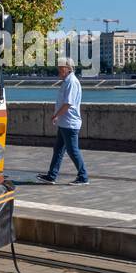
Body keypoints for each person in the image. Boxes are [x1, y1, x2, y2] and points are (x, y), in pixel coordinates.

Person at [38, 57, 88, 185]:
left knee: (73, 151)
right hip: (64, 123)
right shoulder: (67, 81)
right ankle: (51, 176)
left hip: (70, 123)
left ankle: (83, 177)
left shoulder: (72, 82)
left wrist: (55, 115)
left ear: (67, 68)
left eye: (60, 68)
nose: (58, 71)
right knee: (58, 150)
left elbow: (68, 104)